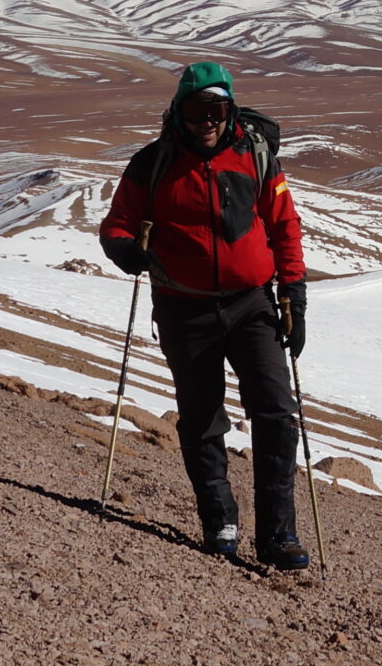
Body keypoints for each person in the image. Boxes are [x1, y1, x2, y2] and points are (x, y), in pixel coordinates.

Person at [97, 62, 312, 570]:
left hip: (252, 302)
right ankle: (220, 522)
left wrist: (294, 295)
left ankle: (278, 533)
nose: (206, 121)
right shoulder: (153, 163)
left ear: (230, 110)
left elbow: (284, 226)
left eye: (216, 110)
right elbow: (117, 224)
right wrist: (125, 250)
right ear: (179, 112)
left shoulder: (257, 157)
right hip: (182, 306)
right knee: (201, 418)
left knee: (276, 413)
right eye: (196, 110)